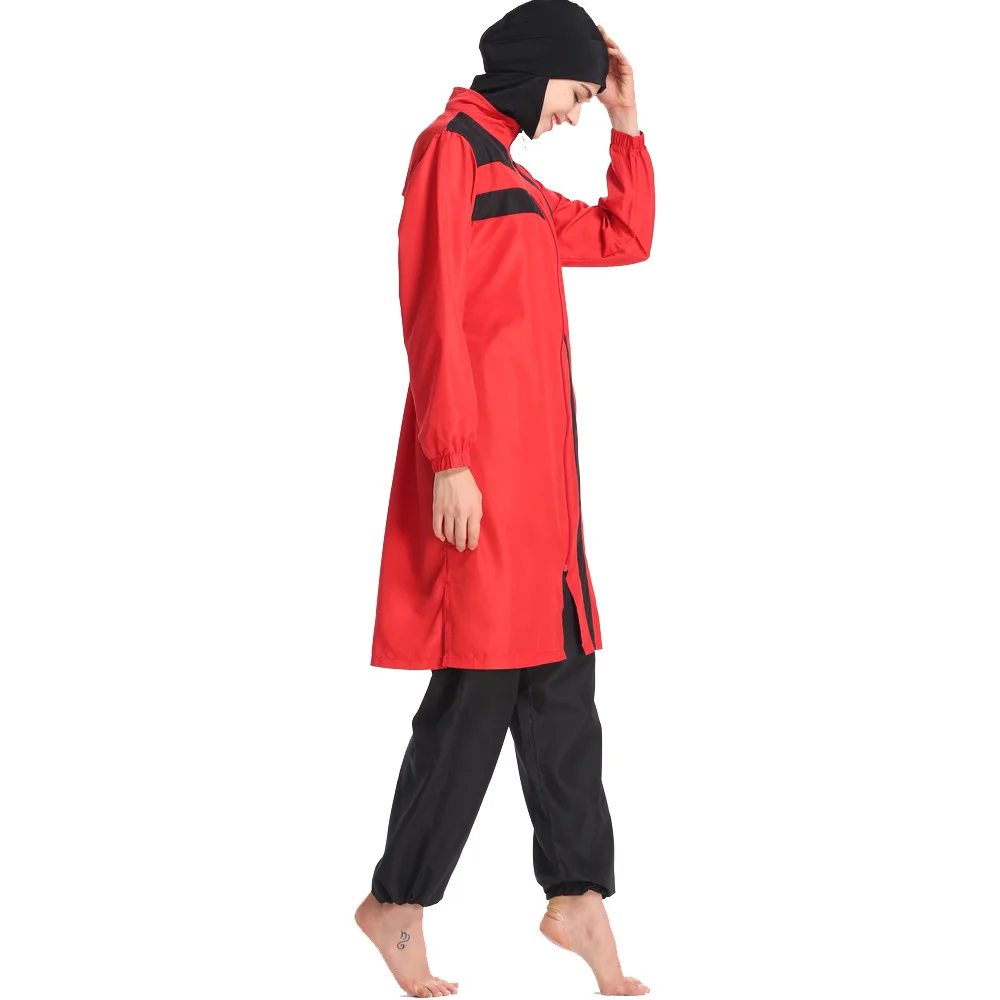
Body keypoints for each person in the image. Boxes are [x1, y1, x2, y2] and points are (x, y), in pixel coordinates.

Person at [357, 2, 655, 995]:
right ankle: (397, 901)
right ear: (533, 70)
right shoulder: (450, 150)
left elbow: (623, 236)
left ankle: (576, 894)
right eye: (573, 93)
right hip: (481, 479)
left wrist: (627, 127)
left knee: (562, 680)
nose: (573, 112)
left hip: (545, 493)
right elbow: (431, 304)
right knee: (479, 687)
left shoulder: (515, 181)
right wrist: (450, 459)